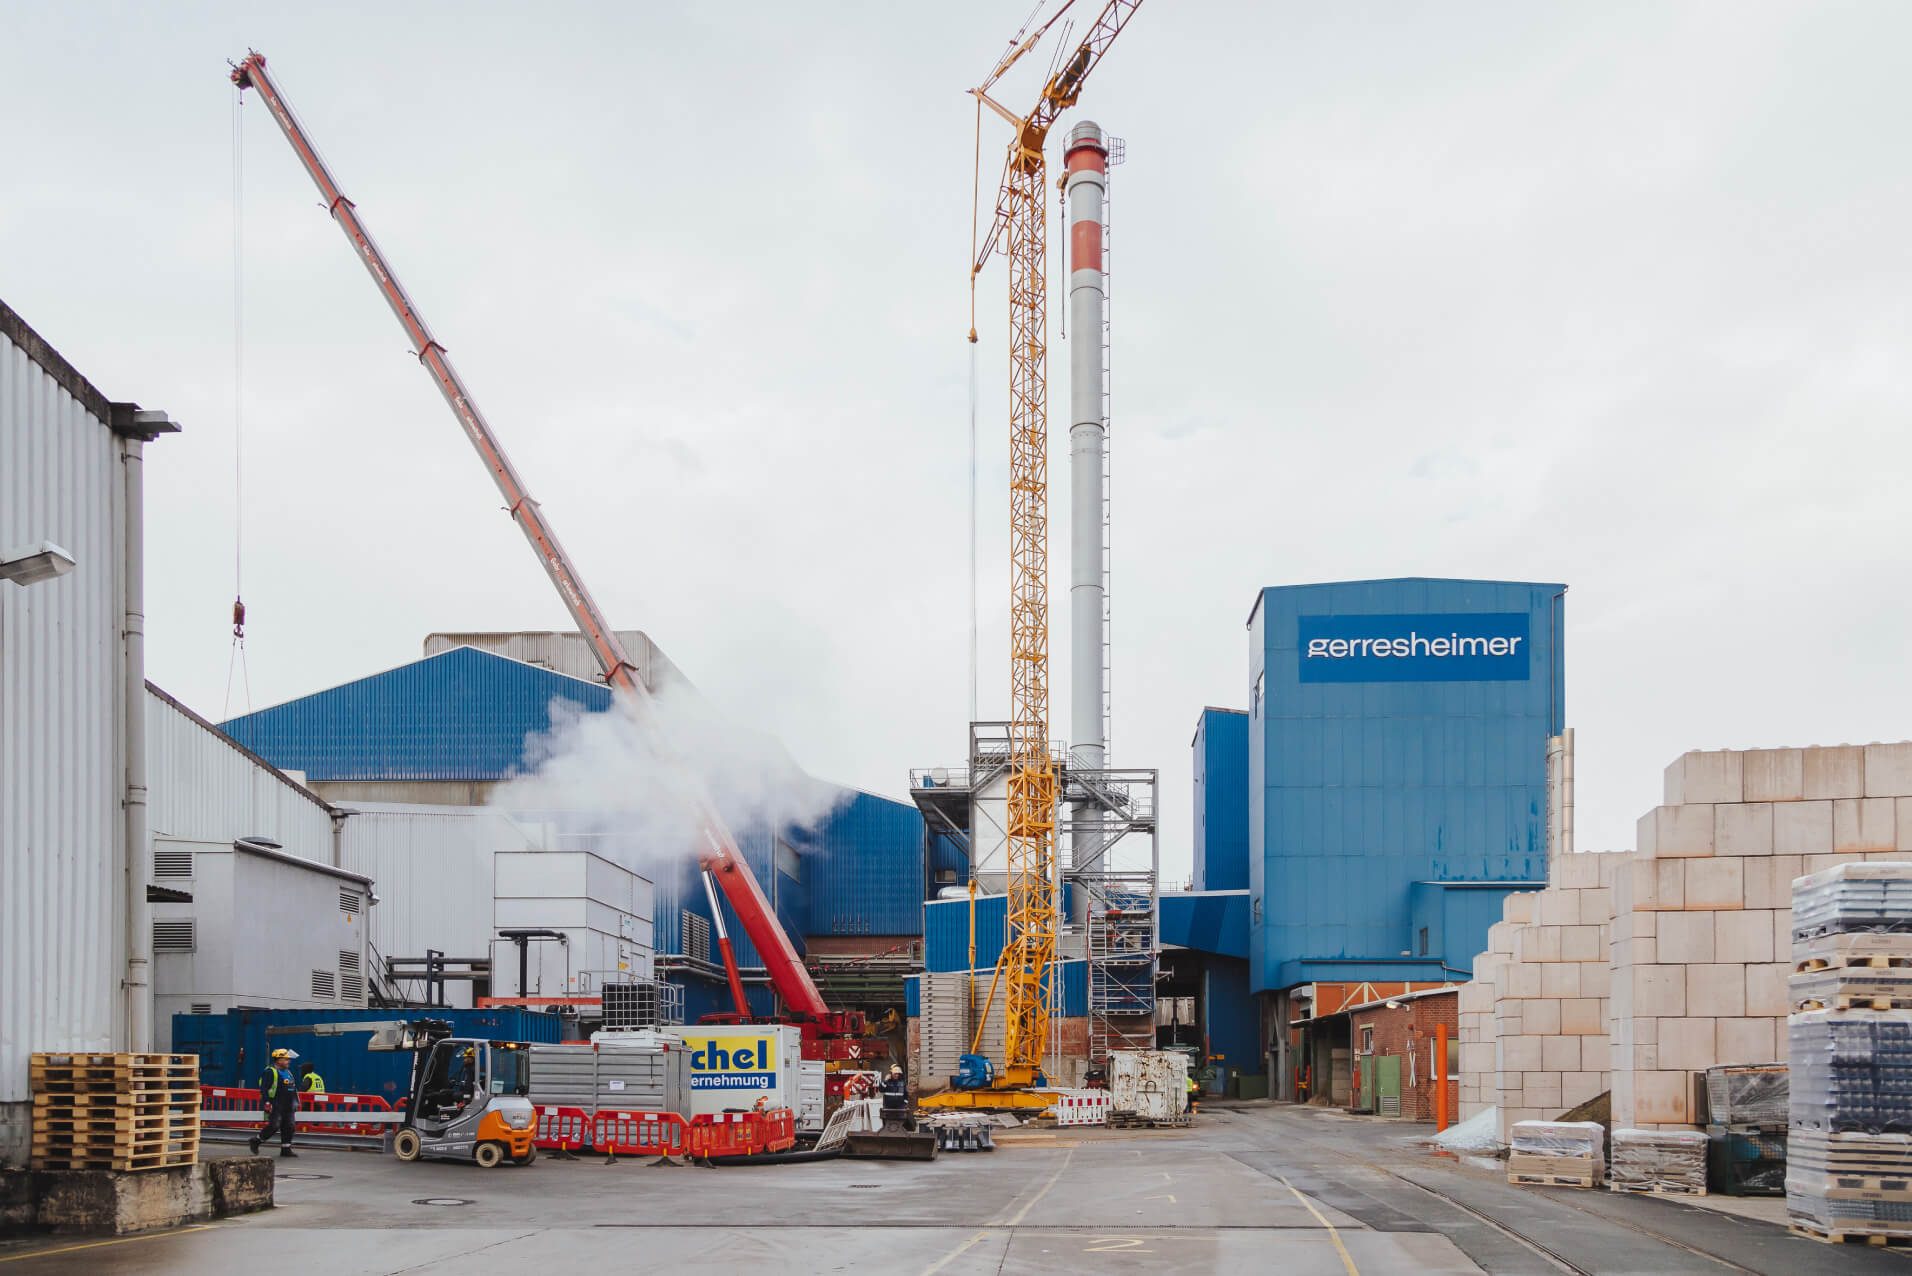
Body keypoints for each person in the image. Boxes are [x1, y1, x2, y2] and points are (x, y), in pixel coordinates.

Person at [250, 1048, 299, 1157]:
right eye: (286, 1059)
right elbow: (264, 1088)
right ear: (278, 1060)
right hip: (276, 1103)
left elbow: (293, 1088)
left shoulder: (288, 1072)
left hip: (288, 1105)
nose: (288, 1061)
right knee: (274, 1126)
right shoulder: (270, 1071)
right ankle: (256, 1141)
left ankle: (286, 1149)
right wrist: (267, 1102)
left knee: (289, 1126)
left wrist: (296, 1102)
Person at [880, 1065, 911, 1131]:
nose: (896, 1075)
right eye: (895, 1074)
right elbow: (881, 1090)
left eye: (898, 1074)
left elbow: (906, 1095)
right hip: (888, 1108)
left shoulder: (902, 1083)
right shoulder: (887, 1082)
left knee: (899, 1125)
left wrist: (905, 1104)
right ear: (891, 1074)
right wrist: (885, 1081)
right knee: (887, 1125)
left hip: (899, 1108)